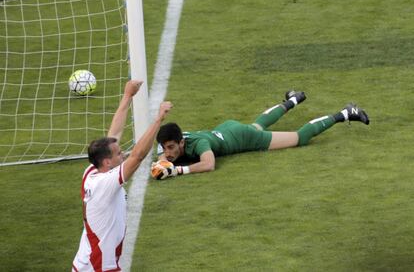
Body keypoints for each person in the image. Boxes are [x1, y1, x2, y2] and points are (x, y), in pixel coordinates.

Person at [152, 90, 369, 179]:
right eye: (166, 148)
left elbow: (208, 164)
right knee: (257, 125)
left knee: (299, 138)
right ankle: (293, 99)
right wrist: (162, 163)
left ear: (182, 142)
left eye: (172, 147)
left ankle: (344, 113)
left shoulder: (198, 145)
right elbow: (162, 156)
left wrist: (178, 170)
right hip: (227, 129)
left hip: (243, 138)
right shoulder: (174, 143)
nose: (168, 152)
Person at [72, 80, 172, 271]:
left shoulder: (92, 171)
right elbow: (138, 155)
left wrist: (127, 96)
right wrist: (159, 119)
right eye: (118, 154)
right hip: (98, 266)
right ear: (107, 162)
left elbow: (114, 133)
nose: (123, 154)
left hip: (87, 263)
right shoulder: (105, 183)